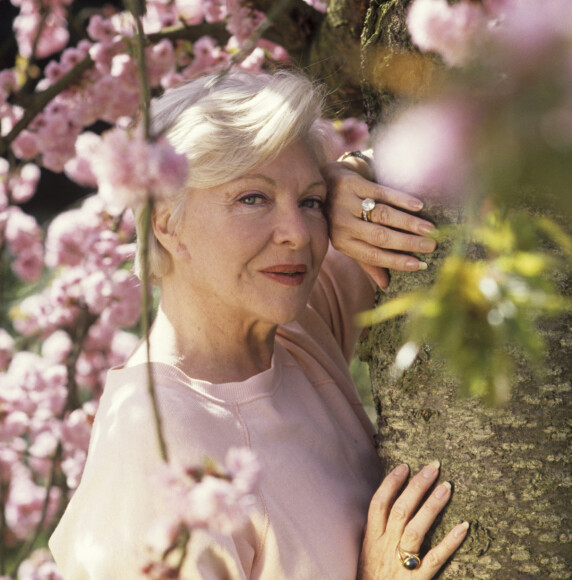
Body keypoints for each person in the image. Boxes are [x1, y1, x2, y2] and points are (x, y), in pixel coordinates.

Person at [49, 69, 468, 579]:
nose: (297, 233)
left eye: (309, 204)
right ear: (166, 222)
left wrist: (344, 178)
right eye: (253, 198)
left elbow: (437, 159)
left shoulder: (295, 330)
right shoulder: (153, 449)